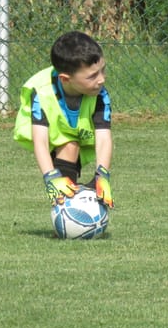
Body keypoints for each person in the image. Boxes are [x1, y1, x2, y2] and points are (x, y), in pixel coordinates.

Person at [13, 31, 115, 209]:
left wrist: (102, 175)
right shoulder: (42, 92)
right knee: (69, 145)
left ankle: (71, 206)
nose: (101, 79)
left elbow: (104, 138)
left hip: (73, 132)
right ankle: (64, 207)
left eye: (102, 70)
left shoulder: (100, 94)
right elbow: (41, 141)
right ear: (65, 79)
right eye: (92, 76)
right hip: (47, 132)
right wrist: (50, 177)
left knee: (71, 144)